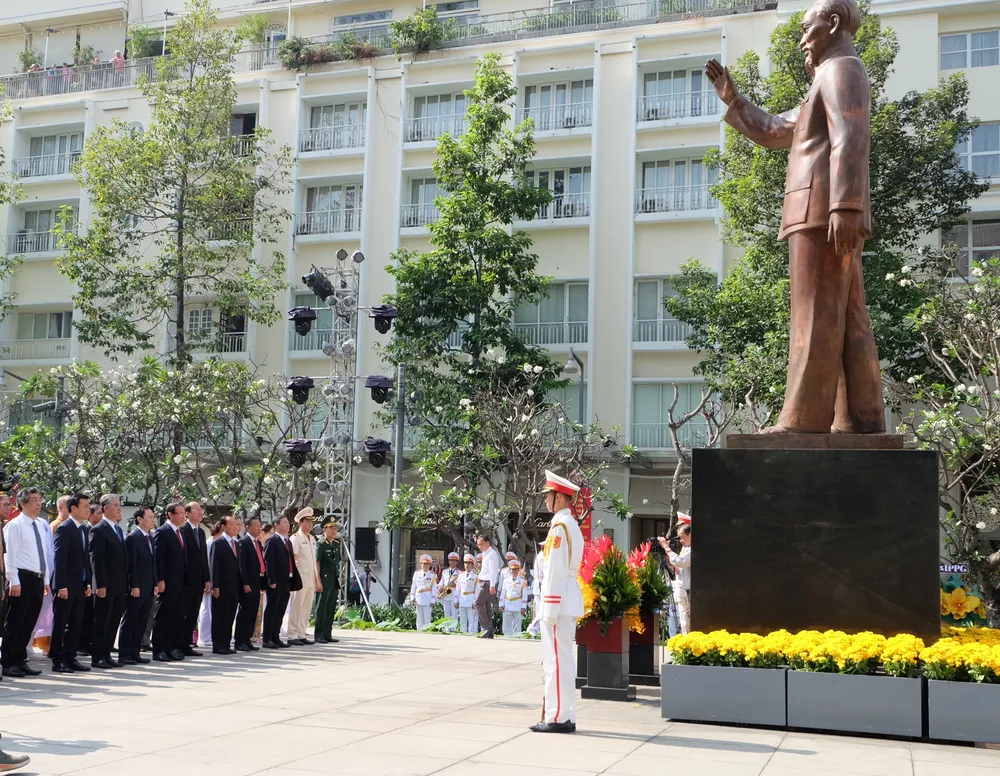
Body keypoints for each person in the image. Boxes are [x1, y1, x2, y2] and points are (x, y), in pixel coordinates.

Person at [704, 0, 883, 435]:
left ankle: (802, 421)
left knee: (815, 314)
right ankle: (861, 419)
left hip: (822, 210)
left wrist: (846, 205)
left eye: (808, 28)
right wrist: (735, 100)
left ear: (834, 24)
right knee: (847, 317)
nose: (802, 38)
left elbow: (851, 136)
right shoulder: (827, 76)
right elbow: (778, 130)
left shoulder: (841, 70)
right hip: (826, 209)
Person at [531, 470, 585, 734]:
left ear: (560, 498)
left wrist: (548, 607)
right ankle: (563, 714)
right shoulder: (567, 524)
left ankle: (558, 716)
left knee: (556, 661)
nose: (546, 500)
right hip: (565, 598)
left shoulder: (560, 526)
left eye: (549, 495)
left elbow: (555, 570)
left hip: (559, 600)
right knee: (560, 659)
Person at [1, 488, 49, 678]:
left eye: (40, 499)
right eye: (35, 500)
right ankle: (8, 662)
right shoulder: (15, 525)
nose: (39, 504)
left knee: (28, 622)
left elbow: (42, 554)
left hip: (37, 577)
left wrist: (45, 579)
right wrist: (13, 580)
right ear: (23, 503)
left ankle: (21, 660)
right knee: (15, 623)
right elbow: (9, 555)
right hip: (21, 578)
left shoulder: (38, 525)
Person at [49, 493, 92, 673]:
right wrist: (61, 585)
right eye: (85, 507)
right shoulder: (64, 528)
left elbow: (85, 559)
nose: (88, 510)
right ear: (73, 508)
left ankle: (70, 657)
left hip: (80, 584)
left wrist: (88, 583)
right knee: (62, 623)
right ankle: (58, 660)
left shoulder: (82, 529)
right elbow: (59, 559)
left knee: (76, 623)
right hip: (66, 585)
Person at [88, 494, 129, 669]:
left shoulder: (118, 529)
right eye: (116, 505)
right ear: (106, 508)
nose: (120, 508)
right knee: (102, 621)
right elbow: (97, 560)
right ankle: (97, 656)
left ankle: (107, 654)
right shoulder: (98, 529)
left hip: (119, 584)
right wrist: (100, 584)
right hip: (106, 585)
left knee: (113, 621)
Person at [119, 507, 157, 666]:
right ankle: (125, 653)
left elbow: (154, 564)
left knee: (142, 620)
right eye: (149, 517)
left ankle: (135, 652)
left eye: (153, 517)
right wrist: (133, 585)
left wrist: (155, 583)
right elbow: (131, 565)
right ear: (139, 519)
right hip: (137, 587)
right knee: (131, 621)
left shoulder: (150, 537)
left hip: (148, 586)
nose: (153, 520)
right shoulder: (133, 538)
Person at [152, 502, 187, 662]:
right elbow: (158, 559)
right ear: (170, 515)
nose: (183, 516)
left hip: (180, 582)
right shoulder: (162, 532)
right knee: (164, 615)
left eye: (183, 513)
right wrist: (160, 579)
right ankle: (159, 648)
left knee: (176, 616)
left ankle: (171, 646)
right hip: (167, 581)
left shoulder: (181, 532)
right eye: (179, 513)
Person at [262, 514, 300, 648]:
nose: (287, 525)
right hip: (276, 581)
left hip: (286, 580)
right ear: (276, 525)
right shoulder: (272, 540)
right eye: (284, 523)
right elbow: (269, 561)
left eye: (288, 523)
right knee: (272, 609)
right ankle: (267, 639)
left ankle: (275, 636)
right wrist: (271, 580)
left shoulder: (287, 541)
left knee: (281, 610)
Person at [180, 502, 210, 657]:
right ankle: (178, 644)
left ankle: (187, 644)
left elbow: (203, 557)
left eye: (201, 510)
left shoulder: (201, 532)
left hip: (199, 580)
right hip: (186, 581)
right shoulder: (183, 530)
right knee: (183, 613)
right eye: (196, 510)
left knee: (193, 614)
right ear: (187, 513)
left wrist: (207, 578)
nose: (200, 512)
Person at [210, 516, 242, 655]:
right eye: (232, 525)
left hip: (234, 586)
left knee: (229, 615)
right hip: (222, 586)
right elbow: (214, 566)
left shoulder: (236, 543)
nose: (235, 527)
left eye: (236, 525)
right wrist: (215, 586)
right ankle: (218, 645)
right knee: (220, 616)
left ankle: (226, 643)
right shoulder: (218, 543)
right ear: (223, 527)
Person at [287, 509, 319, 645]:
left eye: (311, 522)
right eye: (307, 522)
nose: (310, 524)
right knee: (297, 606)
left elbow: (313, 560)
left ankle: (301, 633)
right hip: (300, 579)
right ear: (300, 523)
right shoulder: (295, 538)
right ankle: (292, 634)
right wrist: (294, 578)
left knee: (306, 608)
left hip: (311, 578)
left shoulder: (312, 538)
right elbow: (293, 559)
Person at [235, 515, 266, 652]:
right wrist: (245, 583)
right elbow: (242, 565)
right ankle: (239, 640)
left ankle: (247, 639)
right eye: (256, 526)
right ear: (248, 527)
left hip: (257, 581)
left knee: (253, 611)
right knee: (245, 612)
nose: (259, 528)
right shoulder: (243, 542)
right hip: (247, 583)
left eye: (260, 525)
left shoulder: (258, 543)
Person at [658, 520, 692, 635]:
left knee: (689, 623)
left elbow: (681, 562)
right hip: (683, 590)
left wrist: (666, 547)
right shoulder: (685, 549)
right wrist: (671, 565)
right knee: (684, 622)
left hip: (690, 592)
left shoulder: (692, 549)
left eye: (682, 537)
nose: (680, 541)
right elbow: (681, 569)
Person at [78, 502, 102, 657]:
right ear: (90, 515)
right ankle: (81, 644)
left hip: (91, 579)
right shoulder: (86, 530)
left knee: (92, 614)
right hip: (84, 578)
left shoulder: (95, 530)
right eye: (98, 513)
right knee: (84, 614)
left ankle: (90, 642)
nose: (101, 516)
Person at [314, 518, 341, 644]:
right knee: (321, 608)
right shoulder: (321, 544)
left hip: (333, 579)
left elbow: (337, 562)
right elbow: (317, 563)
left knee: (330, 607)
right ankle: (319, 634)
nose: (333, 530)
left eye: (335, 528)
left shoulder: (336, 544)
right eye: (331, 528)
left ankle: (327, 633)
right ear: (324, 529)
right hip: (323, 578)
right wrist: (318, 581)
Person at [198, 521, 224, 648]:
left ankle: (211, 635)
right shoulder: (210, 543)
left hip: (214, 580)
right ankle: (204, 637)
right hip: (209, 580)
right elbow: (208, 563)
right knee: (206, 608)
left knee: (212, 610)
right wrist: (208, 580)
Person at [474, 535, 501, 639]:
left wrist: (492, 585)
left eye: (481, 544)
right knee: (486, 606)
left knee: (477, 603)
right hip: (485, 581)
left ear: (488, 542)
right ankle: (489, 632)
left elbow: (493, 570)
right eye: (478, 544)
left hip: (488, 582)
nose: (480, 546)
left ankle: (487, 627)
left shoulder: (491, 554)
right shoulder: (486, 553)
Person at [499, 558, 527, 636]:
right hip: (508, 604)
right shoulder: (506, 580)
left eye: (515, 569)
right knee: (506, 624)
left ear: (518, 570)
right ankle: (506, 637)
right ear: (510, 570)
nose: (513, 571)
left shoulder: (522, 581)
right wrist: (501, 605)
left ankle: (516, 637)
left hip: (517, 604)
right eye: (512, 569)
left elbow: (524, 595)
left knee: (517, 624)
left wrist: (523, 607)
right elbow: (503, 593)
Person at [409, 554, 437, 631]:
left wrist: (433, 601)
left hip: (427, 598)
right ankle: (419, 631)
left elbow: (434, 589)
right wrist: (412, 598)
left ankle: (427, 632)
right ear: (421, 564)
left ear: (429, 565)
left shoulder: (432, 575)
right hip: (418, 598)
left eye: (427, 564)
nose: (425, 565)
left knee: (427, 617)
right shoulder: (417, 573)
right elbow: (413, 586)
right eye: (424, 563)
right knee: (419, 617)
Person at [457, 554, 478, 634]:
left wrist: (475, 601)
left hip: (470, 598)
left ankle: (471, 633)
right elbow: (458, 589)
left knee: (471, 619)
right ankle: (463, 633)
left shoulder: (476, 577)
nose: (467, 565)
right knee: (463, 619)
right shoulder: (460, 575)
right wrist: (456, 600)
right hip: (462, 599)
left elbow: (477, 590)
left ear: (472, 564)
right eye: (466, 563)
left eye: (469, 563)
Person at [438, 552, 461, 620]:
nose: (453, 562)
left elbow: (461, 586)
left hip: (454, 595)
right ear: (449, 561)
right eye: (451, 560)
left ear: (457, 562)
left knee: (454, 615)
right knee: (446, 614)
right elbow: (441, 582)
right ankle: (447, 629)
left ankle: (454, 629)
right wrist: (440, 588)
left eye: (454, 560)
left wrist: (455, 585)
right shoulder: (444, 571)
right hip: (446, 595)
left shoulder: (459, 573)